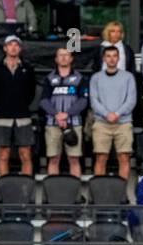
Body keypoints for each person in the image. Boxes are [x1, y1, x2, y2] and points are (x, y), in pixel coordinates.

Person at [0, 35, 36, 177]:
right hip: (2, 116)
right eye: (10, 45)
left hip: (23, 116)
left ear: (20, 49)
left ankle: (27, 187)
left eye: (16, 45)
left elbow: (31, 93)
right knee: (3, 154)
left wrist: (21, 105)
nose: (13, 47)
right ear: (5, 48)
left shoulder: (28, 69)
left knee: (25, 153)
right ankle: (4, 188)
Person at [90, 46, 135, 180]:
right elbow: (94, 100)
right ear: (104, 58)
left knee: (124, 157)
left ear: (118, 58)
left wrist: (117, 114)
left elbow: (131, 100)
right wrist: (106, 114)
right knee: (101, 158)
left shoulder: (128, 77)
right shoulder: (96, 78)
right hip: (101, 123)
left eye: (114, 56)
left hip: (123, 123)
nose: (111, 59)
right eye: (108, 56)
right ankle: (99, 194)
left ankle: (121, 194)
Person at [40, 48, 87, 177]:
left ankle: (76, 195)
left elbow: (83, 101)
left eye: (67, 55)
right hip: (52, 123)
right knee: (53, 159)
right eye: (60, 55)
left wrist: (67, 114)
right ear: (56, 59)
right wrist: (57, 114)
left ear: (71, 58)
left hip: (74, 123)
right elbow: (44, 101)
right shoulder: (49, 78)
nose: (64, 58)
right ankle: (53, 194)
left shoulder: (79, 78)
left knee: (74, 159)